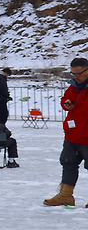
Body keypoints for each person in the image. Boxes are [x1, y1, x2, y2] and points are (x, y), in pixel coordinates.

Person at [43, 57, 88, 207]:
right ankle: (66, 195)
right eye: (73, 74)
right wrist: (66, 104)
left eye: (79, 74)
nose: (76, 77)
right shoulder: (73, 86)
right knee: (68, 163)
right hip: (72, 135)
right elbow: (66, 98)